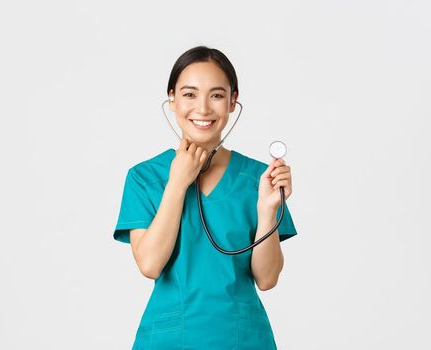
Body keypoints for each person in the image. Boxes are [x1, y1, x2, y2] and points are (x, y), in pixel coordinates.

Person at [113, 46, 298, 349]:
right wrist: (178, 182)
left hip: (243, 340)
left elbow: (267, 279)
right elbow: (149, 264)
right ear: (171, 99)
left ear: (232, 101)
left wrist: (267, 210)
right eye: (189, 94)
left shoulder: (258, 178)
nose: (202, 108)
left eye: (215, 95)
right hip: (169, 340)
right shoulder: (144, 177)